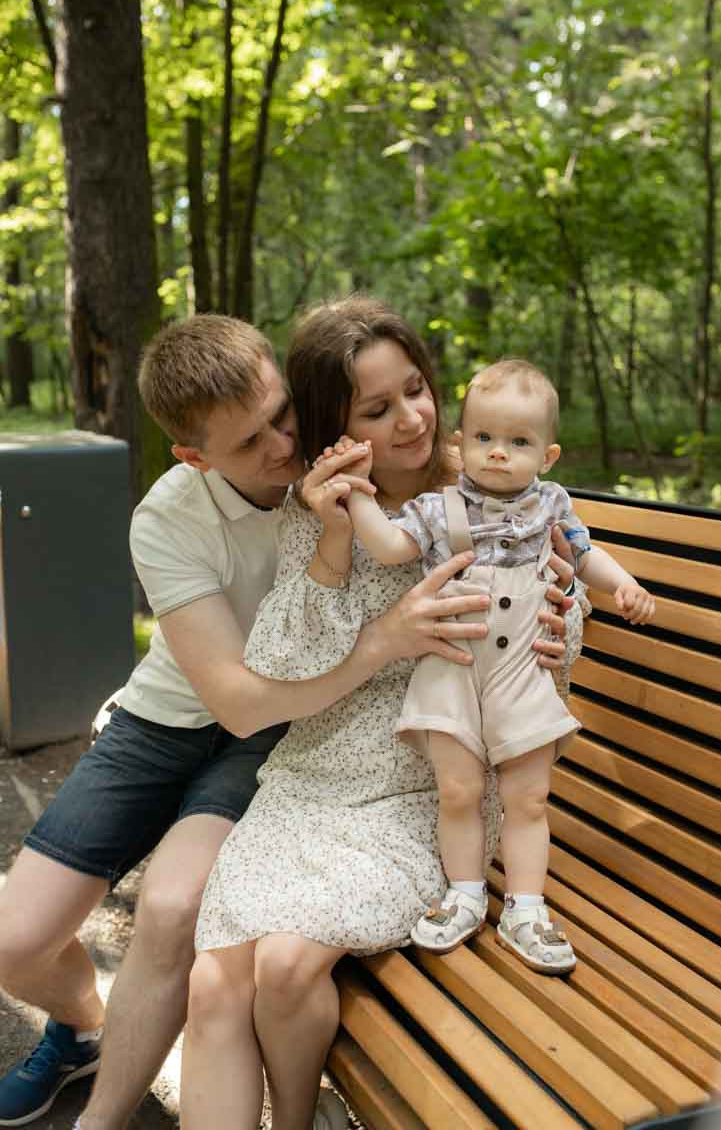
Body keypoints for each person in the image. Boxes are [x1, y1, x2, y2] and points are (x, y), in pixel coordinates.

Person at [0, 313, 530, 1130]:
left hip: (304, 740)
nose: (285, 446)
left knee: (178, 911)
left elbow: (495, 522)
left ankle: (101, 1121)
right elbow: (239, 696)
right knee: (14, 940)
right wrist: (376, 631)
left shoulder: (377, 473)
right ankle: (79, 1028)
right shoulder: (178, 518)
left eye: (287, 415)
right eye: (253, 443)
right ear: (196, 455)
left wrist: (552, 593)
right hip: (192, 713)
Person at [178, 297, 586, 1130]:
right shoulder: (320, 510)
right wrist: (332, 539)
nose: (413, 417)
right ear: (337, 425)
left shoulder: (488, 486)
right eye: (377, 407)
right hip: (315, 780)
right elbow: (283, 665)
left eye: (417, 390)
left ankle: (292, 1118)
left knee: (288, 966)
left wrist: (562, 617)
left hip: (431, 788)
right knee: (217, 978)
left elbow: (554, 628)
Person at [345, 358, 656, 973]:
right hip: (455, 666)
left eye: (518, 442)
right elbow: (386, 547)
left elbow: (587, 557)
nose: (497, 454)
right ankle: (463, 892)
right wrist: (355, 494)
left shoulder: (552, 507)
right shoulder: (440, 510)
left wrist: (626, 586)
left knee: (529, 796)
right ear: (462, 442)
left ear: (549, 455)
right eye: (484, 438)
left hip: (521, 674)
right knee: (458, 789)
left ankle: (526, 908)